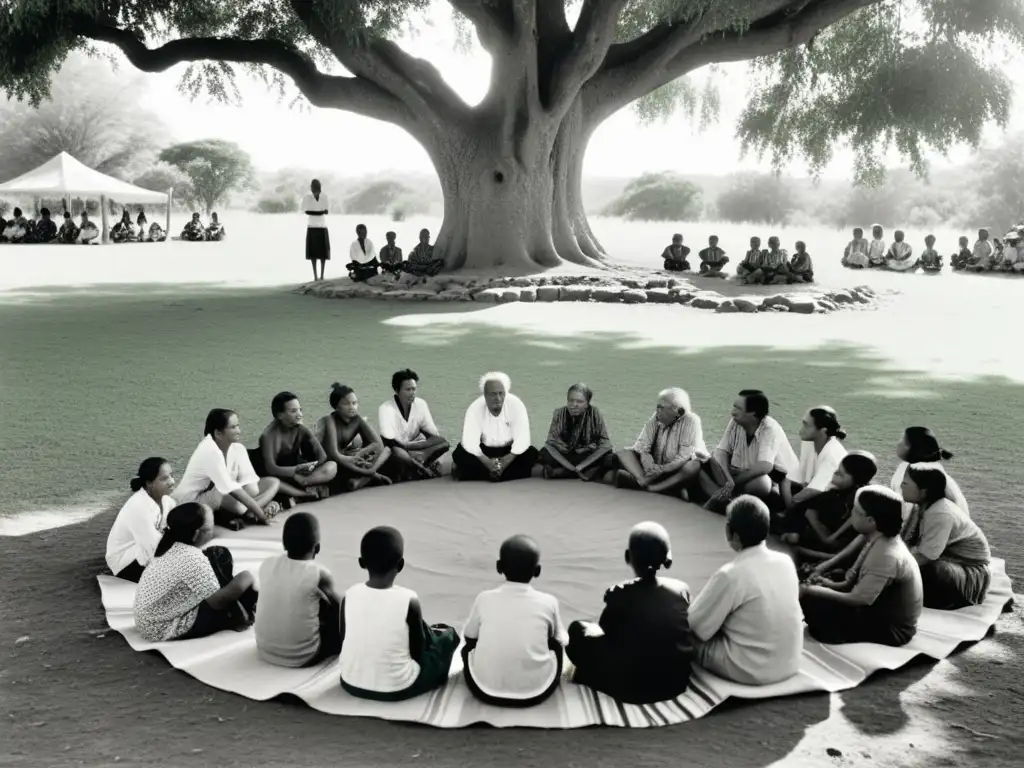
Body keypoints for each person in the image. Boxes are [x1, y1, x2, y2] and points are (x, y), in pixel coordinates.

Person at [566, 522, 694, 704]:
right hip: (674, 684)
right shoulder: (681, 589)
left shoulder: (618, 594)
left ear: (628, 557)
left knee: (578, 629)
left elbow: (605, 630)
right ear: (667, 559)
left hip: (631, 688)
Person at [689, 496, 802, 685]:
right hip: (790, 663)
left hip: (750, 669)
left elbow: (697, 629)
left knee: (680, 629)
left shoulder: (731, 574)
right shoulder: (785, 561)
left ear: (730, 532)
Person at [339, 526, 460, 701]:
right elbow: (418, 653)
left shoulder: (349, 595)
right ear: (401, 564)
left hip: (350, 682)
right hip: (398, 687)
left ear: (361, 562)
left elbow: (344, 639)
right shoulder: (408, 599)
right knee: (447, 639)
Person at [799, 486, 923, 647]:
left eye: (856, 511)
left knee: (814, 602)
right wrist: (827, 580)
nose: (851, 515)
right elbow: (850, 579)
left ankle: (835, 634)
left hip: (892, 630)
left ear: (871, 520)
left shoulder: (886, 554)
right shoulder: (879, 536)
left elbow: (859, 599)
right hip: (878, 612)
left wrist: (811, 590)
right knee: (826, 580)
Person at [462, 535, 568, 707]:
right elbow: (562, 639)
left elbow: (469, 636)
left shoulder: (484, 598)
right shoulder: (549, 602)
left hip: (484, 690)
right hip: (537, 692)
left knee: (468, 648)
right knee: (555, 645)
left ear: (499, 567)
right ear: (537, 570)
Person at [133, 502, 258, 642]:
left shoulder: (168, 546)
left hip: (148, 622)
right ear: (197, 533)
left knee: (218, 553)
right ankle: (237, 615)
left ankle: (236, 605)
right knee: (245, 586)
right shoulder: (193, 558)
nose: (214, 531)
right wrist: (247, 576)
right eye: (210, 528)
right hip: (163, 628)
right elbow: (217, 602)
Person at [255, 512, 343, 667]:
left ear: (284, 544)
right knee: (337, 607)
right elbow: (341, 608)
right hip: (302, 657)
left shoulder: (267, 564)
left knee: (303, 598)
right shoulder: (318, 574)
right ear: (317, 548)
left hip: (265, 650)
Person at [899, 464, 991, 610]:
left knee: (931, 571)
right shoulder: (923, 507)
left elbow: (926, 557)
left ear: (924, 491)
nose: (901, 486)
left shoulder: (940, 513)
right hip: (948, 562)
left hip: (968, 574)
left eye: (905, 483)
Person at [173, 409, 282, 530]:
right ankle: (246, 512)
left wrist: (251, 502)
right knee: (227, 493)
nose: (239, 431)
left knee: (273, 482)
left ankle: (245, 512)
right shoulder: (209, 451)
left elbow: (251, 485)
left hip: (224, 497)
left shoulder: (238, 448)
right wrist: (262, 516)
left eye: (238, 426)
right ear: (218, 433)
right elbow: (232, 489)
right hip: (194, 502)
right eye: (233, 427)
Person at [700, 389, 799, 512]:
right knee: (705, 462)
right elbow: (721, 451)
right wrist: (728, 479)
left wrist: (734, 482)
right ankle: (728, 499)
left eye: (738, 409)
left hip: (772, 481)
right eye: (734, 407)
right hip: (738, 474)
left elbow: (765, 467)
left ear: (753, 414)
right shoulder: (735, 422)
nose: (733, 412)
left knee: (763, 483)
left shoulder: (770, 429)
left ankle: (725, 499)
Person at [779, 451, 879, 563]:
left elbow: (833, 540)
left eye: (840, 474)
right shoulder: (835, 494)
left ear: (857, 480)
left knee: (795, 537)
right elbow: (806, 511)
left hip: (834, 541)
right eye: (836, 471)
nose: (834, 475)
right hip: (820, 532)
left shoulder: (859, 502)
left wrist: (815, 522)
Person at [607, 387, 706, 496]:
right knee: (623, 453)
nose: (657, 410)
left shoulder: (691, 421)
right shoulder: (656, 417)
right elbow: (643, 446)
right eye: (657, 407)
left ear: (678, 411)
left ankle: (653, 487)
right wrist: (647, 463)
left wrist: (661, 470)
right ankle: (642, 481)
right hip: (653, 469)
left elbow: (683, 457)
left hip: (673, 470)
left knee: (693, 466)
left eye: (661, 407)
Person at [452, 372, 539, 482]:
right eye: (493, 394)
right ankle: (501, 474)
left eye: (501, 393)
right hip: (483, 451)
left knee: (531, 454)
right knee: (459, 453)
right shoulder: (475, 408)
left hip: (509, 451)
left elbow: (522, 439)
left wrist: (505, 461)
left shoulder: (516, 405)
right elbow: (470, 442)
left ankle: (475, 474)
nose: (497, 398)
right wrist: (488, 463)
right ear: (485, 395)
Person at [106, 457, 178, 582]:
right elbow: (154, 548)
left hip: (145, 549)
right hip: (124, 564)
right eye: (164, 478)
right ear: (149, 483)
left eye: (171, 475)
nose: (172, 481)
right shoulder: (138, 507)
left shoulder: (167, 501)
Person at [257, 391, 338, 502]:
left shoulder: (300, 429)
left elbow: (322, 456)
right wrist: (296, 472)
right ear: (280, 415)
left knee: (332, 466)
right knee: (274, 483)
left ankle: (306, 485)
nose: (300, 414)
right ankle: (303, 493)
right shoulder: (268, 436)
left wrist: (306, 472)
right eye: (294, 411)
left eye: (300, 410)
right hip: (279, 476)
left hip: (301, 476)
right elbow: (271, 468)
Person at [377, 368, 450, 482]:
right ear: (397, 390)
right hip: (393, 452)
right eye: (407, 390)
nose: (412, 393)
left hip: (411, 448)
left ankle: (416, 465)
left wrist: (411, 446)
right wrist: (409, 450)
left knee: (444, 443)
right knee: (398, 453)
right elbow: (391, 443)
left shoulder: (421, 404)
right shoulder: (385, 409)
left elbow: (435, 437)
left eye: (414, 389)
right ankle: (420, 468)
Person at [320, 383, 392, 492]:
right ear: (337, 406)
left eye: (354, 403)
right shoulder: (329, 420)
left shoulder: (357, 419)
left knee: (387, 450)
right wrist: (359, 463)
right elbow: (334, 454)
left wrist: (360, 455)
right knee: (342, 463)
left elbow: (377, 444)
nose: (352, 407)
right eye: (346, 404)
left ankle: (361, 481)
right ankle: (371, 475)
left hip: (348, 458)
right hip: (334, 462)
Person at [538, 383, 613, 481]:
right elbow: (550, 443)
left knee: (609, 457)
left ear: (587, 404)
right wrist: (572, 468)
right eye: (571, 400)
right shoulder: (559, 413)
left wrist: (581, 466)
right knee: (544, 453)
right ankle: (581, 473)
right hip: (565, 455)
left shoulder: (595, 413)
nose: (574, 405)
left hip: (586, 455)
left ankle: (561, 472)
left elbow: (606, 445)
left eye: (579, 402)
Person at [889, 426, 969, 516]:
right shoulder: (920, 468)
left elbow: (908, 510)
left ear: (910, 446)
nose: (898, 443)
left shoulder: (921, 473)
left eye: (902, 439)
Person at [781, 406, 848, 511]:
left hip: (828, 501)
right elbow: (799, 477)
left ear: (822, 430)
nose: (801, 430)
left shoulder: (832, 454)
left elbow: (814, 490)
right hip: (810, 492)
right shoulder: (809, 443)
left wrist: (791, 504)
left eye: (806, 425)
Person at [301, 179, 330, 281]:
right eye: (313, 188)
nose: (314, 191)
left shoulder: (324, 197)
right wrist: (320, 212)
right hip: (312, 226)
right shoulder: (307, 197)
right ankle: (315, 276)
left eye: (316, 189)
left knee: (323, 254)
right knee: (313, 254)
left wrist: (317, 212)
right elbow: (305, 211)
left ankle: (321, 275)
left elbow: (326, 211)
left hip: (322, 226)